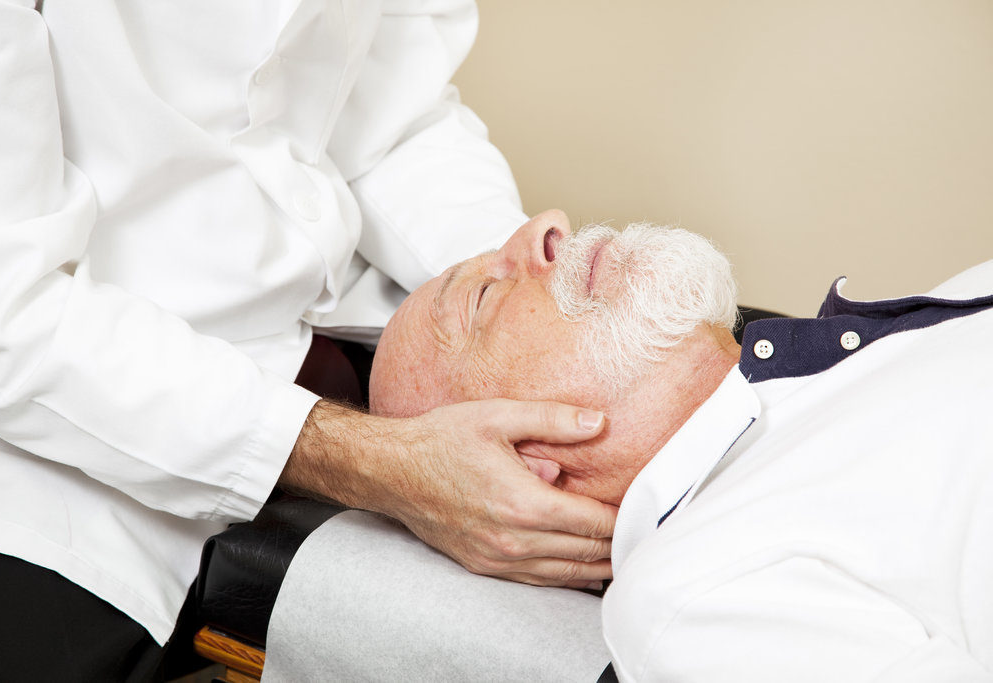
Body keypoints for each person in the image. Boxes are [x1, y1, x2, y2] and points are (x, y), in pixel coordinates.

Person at [0, 3, 615, 679]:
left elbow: (393, 118)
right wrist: (375, 460)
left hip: (316, 344)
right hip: (43, 442)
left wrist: (523, 297)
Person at [370, 209, 993, 680]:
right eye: (481, 295)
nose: (547, 223)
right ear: (518, 473)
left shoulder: (868, 358)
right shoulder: (694, 595)